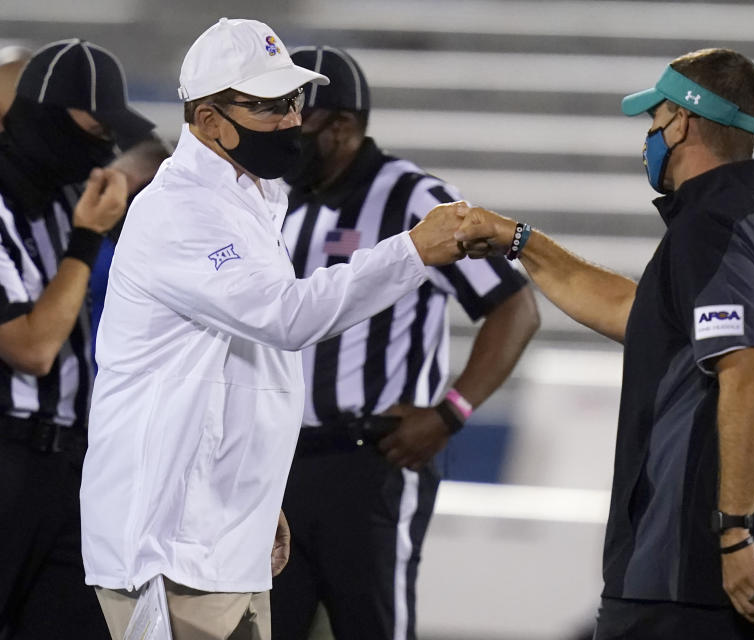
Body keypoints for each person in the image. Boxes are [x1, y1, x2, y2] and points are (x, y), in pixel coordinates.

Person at [79, 19, 470, 640]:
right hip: (172, 541)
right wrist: (412, 252)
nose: (291, 120)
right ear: (209, 120)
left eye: (293, 100)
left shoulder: (247, 199)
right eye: (267, 106)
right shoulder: (182, 211)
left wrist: (257, 495)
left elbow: (241, 372)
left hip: (223, 532)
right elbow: (286, 318)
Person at [456, 48, 754, 639]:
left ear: (682, 122)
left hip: (699, 574)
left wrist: (733, 531)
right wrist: (522, 241)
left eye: (654, 120)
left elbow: (751, 368)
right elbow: (636, 313)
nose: (649, 137)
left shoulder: (712, 225)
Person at [270, 46, 540, 640]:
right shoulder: (275, 197)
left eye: (294, 122)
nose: (281, 136)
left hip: (370, 460)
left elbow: (514, 308)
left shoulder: (415, 200)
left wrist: (451, 411)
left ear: (341, 128)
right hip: (277, 462)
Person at [0, 39, 157, 639]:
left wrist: (114, 176)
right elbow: (31, 348)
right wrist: (85, 239)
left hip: (74, 466)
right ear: (43, 119)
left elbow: (155, 155)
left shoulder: (66, 189)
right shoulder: (52, 211)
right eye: (93, 129)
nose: (102, 146)